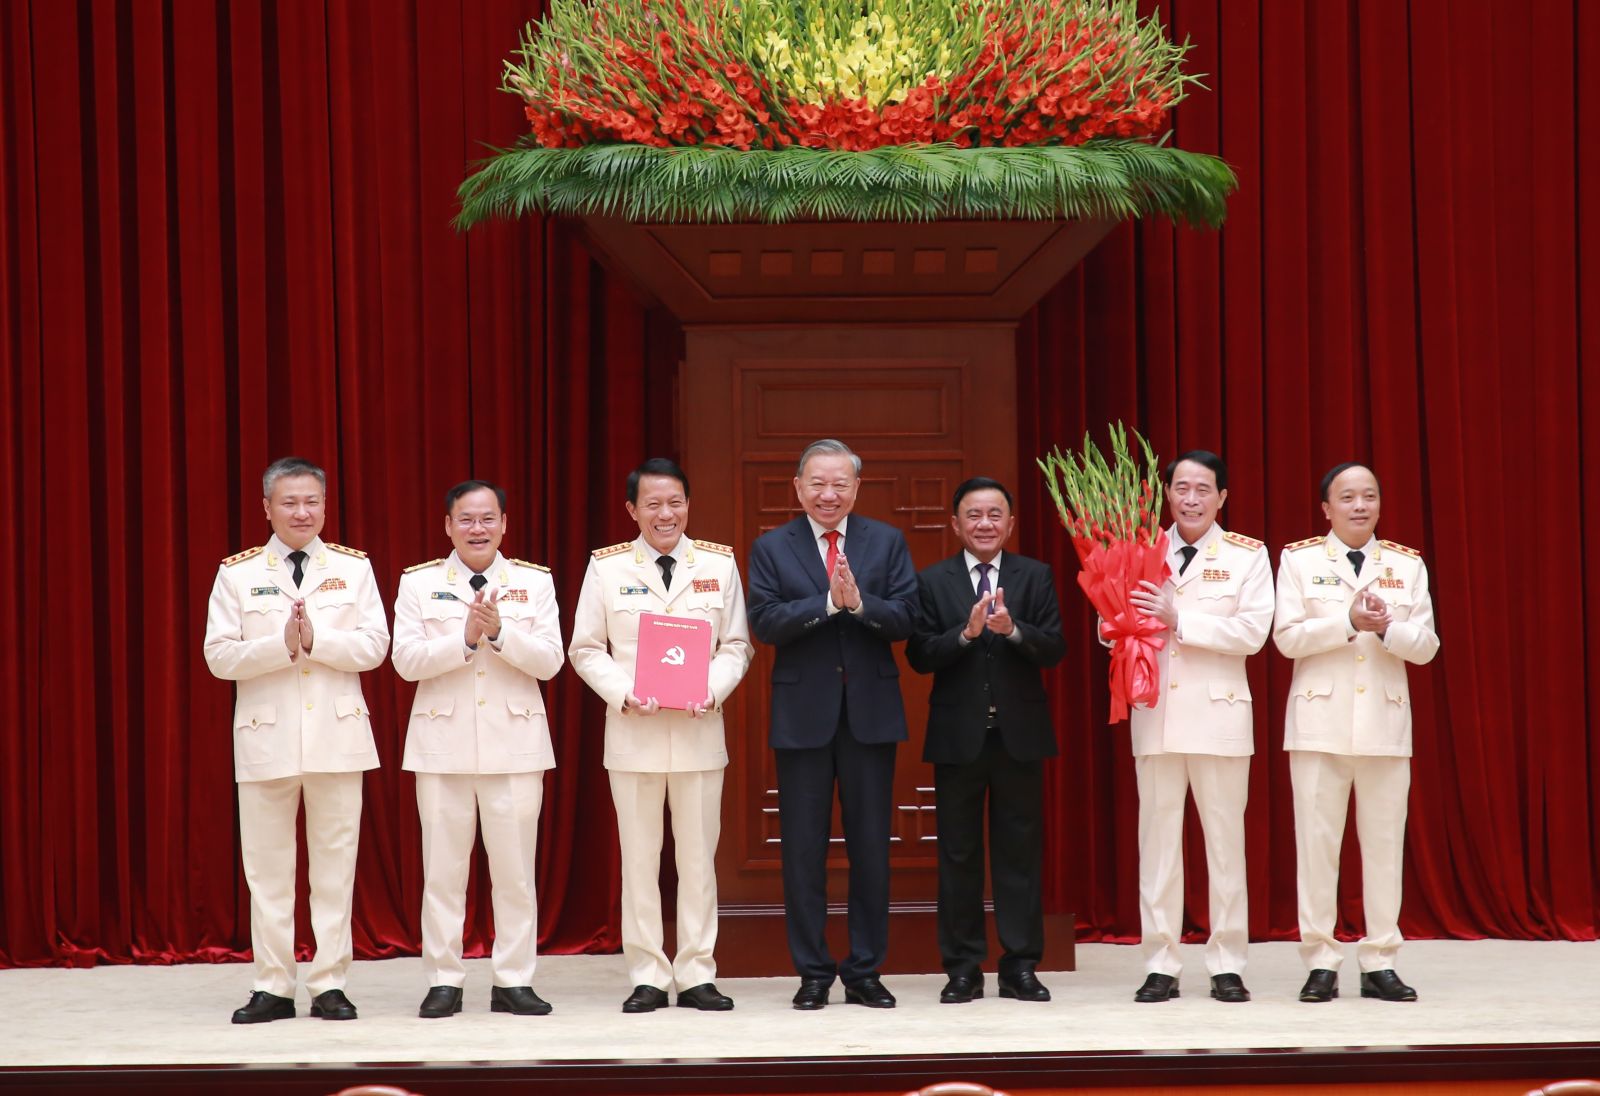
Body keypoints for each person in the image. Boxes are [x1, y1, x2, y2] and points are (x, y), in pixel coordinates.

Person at [203, 457, 389, 1023]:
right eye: (289, 502)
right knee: (267, 870)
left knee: (336, 867)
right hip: (267, 740)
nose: (301, 512)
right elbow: (218, 657)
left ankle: (329, 982)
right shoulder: (237, 573)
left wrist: (319, 639)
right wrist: (279, 645)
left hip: (337, 736)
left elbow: (375, 646)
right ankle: (273, 986)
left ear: (325, 506)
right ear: (267, 508)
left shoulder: (354, 569)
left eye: (311, 502)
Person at [568, 458, 753, 1013]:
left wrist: (712, 689)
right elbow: (584, 648)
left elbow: (737, 645)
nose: (665, 514)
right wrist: (624, 692)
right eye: (652, 504)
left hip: (698, 733)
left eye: (674, 502)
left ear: (688, 505)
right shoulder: (606, 569)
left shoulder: (718, 566)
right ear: (632, 510)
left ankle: (697, 972)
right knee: (640, 860)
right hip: (634, 734)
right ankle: (647, 972)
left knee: (698, 861)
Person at [746, 439, 918, 1011]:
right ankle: (813, 973)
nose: (828, 494)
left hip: (869, 716)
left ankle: (866, 971)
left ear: (856, 488)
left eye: (840, 484)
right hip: (803, 719)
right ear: (798, 487)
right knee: (802, 850)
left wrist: (861, 604)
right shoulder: (772, 546)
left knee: (872, 848)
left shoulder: (886, 541)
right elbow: (765, 621)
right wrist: (827, 603)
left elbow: (907, 617)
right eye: (817, 483)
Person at [392, 480, 563, 1018]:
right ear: (448, 525)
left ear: (505, 524)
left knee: (514, 874)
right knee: (442, 873)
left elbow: (551, 661)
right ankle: (444, 979)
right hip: (441, 747)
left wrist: (499, 634)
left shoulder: (534, 583)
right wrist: (464, 638)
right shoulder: (419, 584)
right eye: (465, 519)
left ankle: (514, 979)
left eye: (488, 519)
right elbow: (405, 661)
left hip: (515, 746)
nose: (477, 529)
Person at [1273, 462, 1439, 1003]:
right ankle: (1320, 960)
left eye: (1369, 496)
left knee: (1385, 847)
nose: (1359, 506)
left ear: (1380, 505)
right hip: (1319, 725)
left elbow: (1427, 646)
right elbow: (1287, 639)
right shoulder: (1298, 560)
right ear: (1326, 508)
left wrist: (1389, 627)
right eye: (1347, 497)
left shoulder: (1406, 565)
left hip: (1385, 726)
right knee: (1317, 849)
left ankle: (1379, 961)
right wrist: (1347, 622)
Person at [1119, 450, 1273, 1004]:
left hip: (1220, 714)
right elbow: (1107, 627)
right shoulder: (1137, 552)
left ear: (1222, 497)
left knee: (1225, 845)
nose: (1190, 498)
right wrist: (1120, 626)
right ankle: (1161, 961)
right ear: (1167, 495)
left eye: (1202, 489)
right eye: (1180, 488)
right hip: (1156, 714)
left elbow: (1253, 633)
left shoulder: (1247, 556)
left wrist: (1178, 618)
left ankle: (1227, 961)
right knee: (1157, 843)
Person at [906, 477, 1065, 1004]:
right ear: (956, 524)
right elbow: (920, 655)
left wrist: (1013, 630)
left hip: (1019, 736)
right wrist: (967, 635)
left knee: (1018, 854)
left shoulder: (1035, 576)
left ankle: (1020, 966)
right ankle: (963, 968)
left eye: (995, 514)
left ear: (1010, 523)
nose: (985, 524)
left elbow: (1054, 649)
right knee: (958, 855)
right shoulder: (933, 581)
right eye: (973, 515)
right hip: (958, 738)